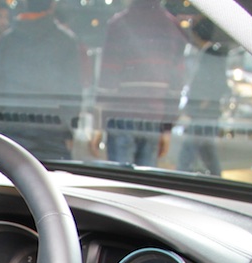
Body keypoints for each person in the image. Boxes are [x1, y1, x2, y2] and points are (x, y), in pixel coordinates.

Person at [0, 0, 87, 159]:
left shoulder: (6, 41)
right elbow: (73, 93)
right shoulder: (65, 41)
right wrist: (68, 131)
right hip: (53, 134)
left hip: (12, 132)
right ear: (52, 5)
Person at [94, 0, 186, 168]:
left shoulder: (119, 23)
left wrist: (97, 125)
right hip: (154, 117)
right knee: (144, 184)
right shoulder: (173, 27)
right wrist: (166, 129)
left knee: (120, 181)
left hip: (121, 115)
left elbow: (108, 78)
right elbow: (175, 85)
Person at [176, 17, 233, 176]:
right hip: (207, 111)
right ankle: (217, 177)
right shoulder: (212, 52)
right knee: (207, 151)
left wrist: (202, 103)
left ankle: (179, 178)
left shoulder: (211, 54)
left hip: (203, 111)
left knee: (188, 151)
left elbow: (214, 82)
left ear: (196, 34)